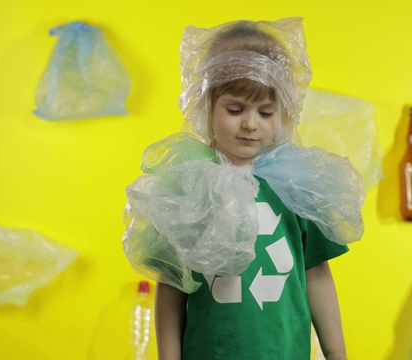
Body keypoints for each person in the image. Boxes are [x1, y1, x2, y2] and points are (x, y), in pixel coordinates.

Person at [122, 18, 365, 360]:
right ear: (206, 106)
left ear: (284, 112)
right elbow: (171, 287)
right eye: (235, 109)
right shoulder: (189, 188)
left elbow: (318, 275)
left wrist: (337, 354)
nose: (250, 124)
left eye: (266, 112)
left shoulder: (297, 187)